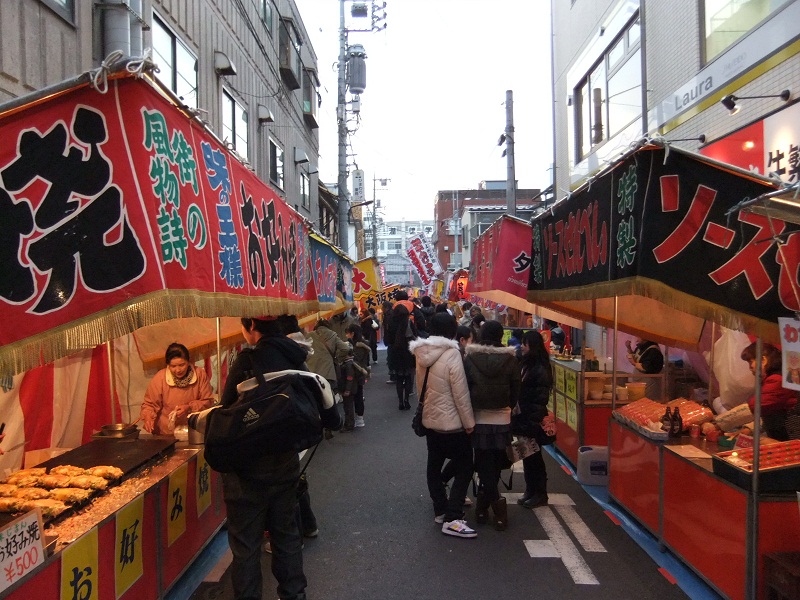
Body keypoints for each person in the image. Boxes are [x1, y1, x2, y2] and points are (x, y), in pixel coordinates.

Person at [220, 316, 342, 600]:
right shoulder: (294, 357)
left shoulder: (247, 361)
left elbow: (226, 409)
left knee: (246, 545)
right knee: (286, 536)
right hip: (285, 464)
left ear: (251, 328)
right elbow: (321, 406)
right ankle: (294, 594)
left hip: (246, 471)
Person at [410, 312, 477, 538]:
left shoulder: (422, 352)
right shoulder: (452, 354)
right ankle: (453, 517)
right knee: (465, 464)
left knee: (434, 465)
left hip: (431, 421)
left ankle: (440, 509)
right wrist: (469, 423)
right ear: (452, 330)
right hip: (452, 423)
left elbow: (421, 388)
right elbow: (461, 394)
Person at [463, 320, 521, 531]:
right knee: (495, 462)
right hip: (502, 418)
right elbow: (516, 390)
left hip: (478, 417)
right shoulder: (511, 359)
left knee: (483, 460)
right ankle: (492, 508)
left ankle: (487, 506)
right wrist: (508, 406)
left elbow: (465, 387)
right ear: (500, 336)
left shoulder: (470, 358)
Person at [513, 331, 552, 508]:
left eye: (525, 344)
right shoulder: (526, 364)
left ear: (533, 346)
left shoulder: (540, 368)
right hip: (524, 417)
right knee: (527, 455)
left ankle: (540, 493)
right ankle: (530, 490)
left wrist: (532, 421)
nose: (522, 346)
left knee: (535, 457)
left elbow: (540, 398)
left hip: (532, 419)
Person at [141, 343, 215, 436]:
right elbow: (149, 404)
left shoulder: (200, 374)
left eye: (181, 365)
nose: (178, 370)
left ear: (188, 362)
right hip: (166, 434)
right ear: (168, 365)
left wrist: (189, 407)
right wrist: (148, 417)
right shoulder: (160, 378)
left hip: (193, 432)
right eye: (173, 366)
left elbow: (208, 402)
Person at [741, 342, 798, 441]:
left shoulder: (778, 380)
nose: (750, 367)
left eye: (751, 362)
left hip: (792, 441)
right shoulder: (778, 378)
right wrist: (750, 428)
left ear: (763, 360)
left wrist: (719, 423)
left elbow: (756, 406)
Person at [305, 319, 351, 438]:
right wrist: (337, 358)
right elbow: (345, 349)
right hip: (328, 372)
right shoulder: (333, 335)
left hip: (312, 372)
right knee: (328, 399)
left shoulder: (308, 336)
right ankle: (330, 426)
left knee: (314, 400)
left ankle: (316, 426)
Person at [385, 301, 417, 410]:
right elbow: (414, 335)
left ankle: (400, 402)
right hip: (408, 352)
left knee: (399, 379)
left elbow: (388, 338)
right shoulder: (407, 322)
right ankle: (407, 399)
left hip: (395, 352)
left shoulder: (391, 322)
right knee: (408, 377)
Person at [345, 323, 371, 428]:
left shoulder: (359, 344)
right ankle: (358, 418)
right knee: (358, 394)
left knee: (358, 395)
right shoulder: (360, 343)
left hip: (357, 372)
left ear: (353, 333)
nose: (347, 335)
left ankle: (360, 418)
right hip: (359, 371)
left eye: (348, 333)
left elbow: (357, 358)